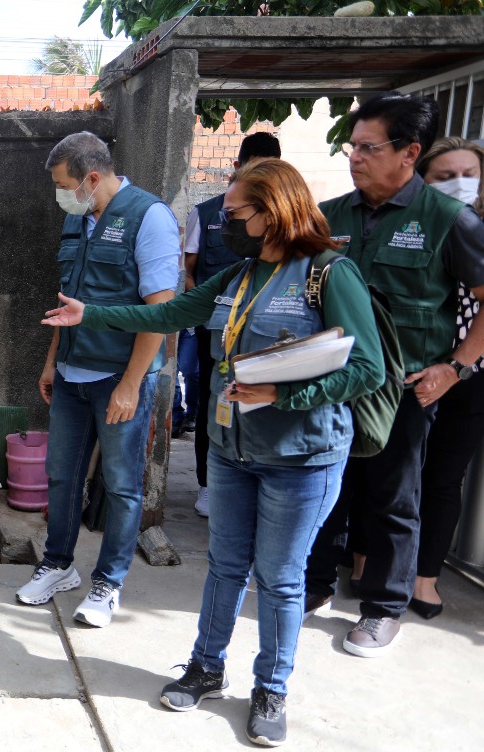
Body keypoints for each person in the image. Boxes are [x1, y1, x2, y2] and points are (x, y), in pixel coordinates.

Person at [40, 159, 383, 747]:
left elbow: (367, 369)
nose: (223, 225)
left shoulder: (328, 274)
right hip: (232, 451)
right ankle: (206, 666)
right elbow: (169, 313)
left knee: (279, 579)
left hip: (300, 458)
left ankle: (271, 688)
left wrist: (284, 394)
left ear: (273, 212)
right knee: (224, 566)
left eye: (234, 213)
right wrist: (91, 313)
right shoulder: (239, 276)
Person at [303, 94, 484, 657]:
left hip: (403, 387)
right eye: (352, 146)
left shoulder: (449, 219)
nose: (354, 156)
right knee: (327, 487)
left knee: (393, 497)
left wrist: (455, 369)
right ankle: (313, 585)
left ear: (409, 153)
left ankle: (384, 608)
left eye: (368, 147)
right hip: (335, 381)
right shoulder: (330, 216)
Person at [14, 131, 179, 628]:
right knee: (61, 475)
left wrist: (131, 384)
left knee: (122, 484)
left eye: (64, 186)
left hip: (118, 378)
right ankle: (58, 565)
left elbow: (161, 313)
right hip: (71, 374)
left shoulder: (149, 217)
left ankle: (108, 583)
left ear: (91, 177)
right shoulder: (78, 218)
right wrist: (52, 360)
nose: (60, 196)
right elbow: (67, 300)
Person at [183, 132, 284, 516]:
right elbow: (186, 279)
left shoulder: (296, 233)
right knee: (214, 400)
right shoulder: (210, 216)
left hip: (267, 336)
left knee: (259, 403)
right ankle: (209, 483)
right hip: (217, 333)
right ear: (237, 167)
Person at [410, 137, 484, 620]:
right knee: (388, 473)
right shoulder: (412, 226)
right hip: (409, 367)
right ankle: (368, 561)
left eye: (469, 174)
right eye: (445, 176)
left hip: (470, 373)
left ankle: (425, 579)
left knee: (442, 478)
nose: (459, 184)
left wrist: (457, 368)